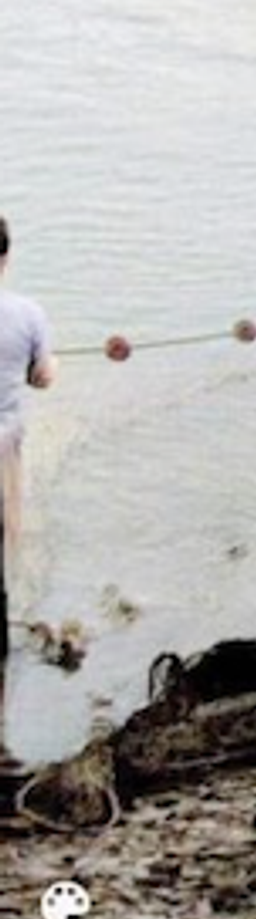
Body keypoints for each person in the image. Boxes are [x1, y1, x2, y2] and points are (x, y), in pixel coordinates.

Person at [0, 216, 58, 663]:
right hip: (3, 439)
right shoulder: (27, 313)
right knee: (7, 526)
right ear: (7, 256)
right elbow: (42, 378)